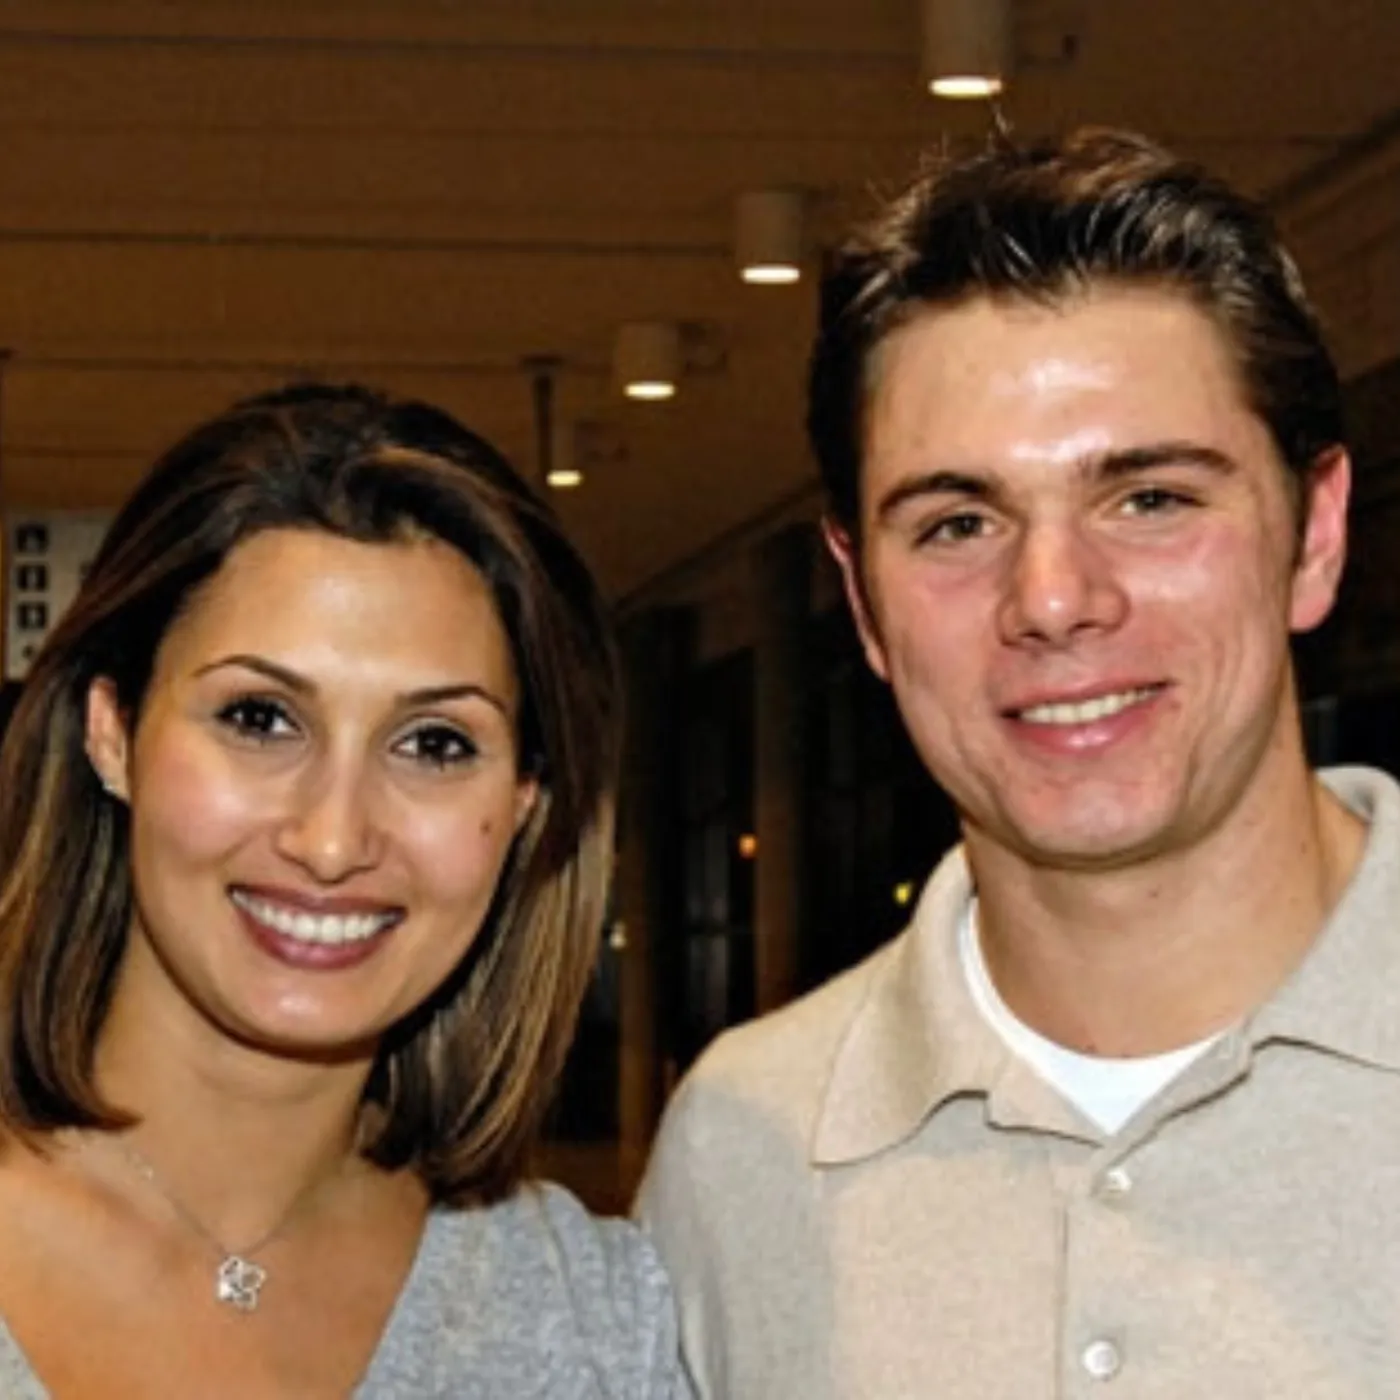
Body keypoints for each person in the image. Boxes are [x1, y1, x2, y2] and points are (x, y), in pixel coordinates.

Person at [637, 127, 1400, 1397]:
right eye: (956, 522)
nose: (1050, 598)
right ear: (862, 604)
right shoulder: (743, 1151)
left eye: (1149, 498)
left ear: (1313, 535)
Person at [0, 383, 686, 1396]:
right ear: (113, 734)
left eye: (434, 743)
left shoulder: (590, 1314)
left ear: (524, 805)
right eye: (259, 718)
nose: (331, 840)